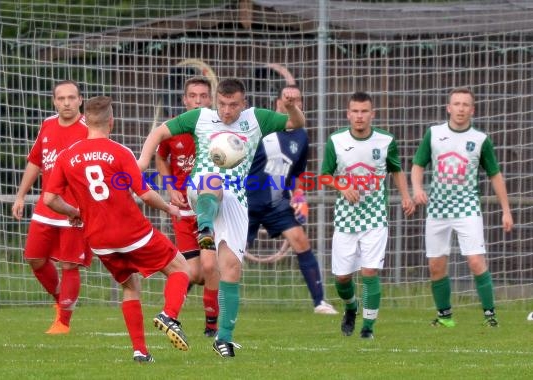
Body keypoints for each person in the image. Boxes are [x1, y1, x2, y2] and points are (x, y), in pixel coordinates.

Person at [138, 78, 305, 357]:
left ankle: (223, 339)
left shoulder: (256, 118)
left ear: (244, 103)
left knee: (230, 269)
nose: (226, 111)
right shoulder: (201, 117)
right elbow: (159, 133)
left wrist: (291, 106)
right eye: (222, 104)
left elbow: (296, 124)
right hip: (202, 188)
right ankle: (205, 229)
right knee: (213, 181)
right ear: (217, 101)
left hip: (236, 199)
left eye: (233, 105)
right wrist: (142, 162)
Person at [44, 96, 190, 363]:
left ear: (84, 120)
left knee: (130, 287)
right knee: (181, 268)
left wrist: (75, 212)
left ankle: (140, 352)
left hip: (99, 239)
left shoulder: (67, 156)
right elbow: (144, 194)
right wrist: (170, 208)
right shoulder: (119, 152)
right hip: (131, 232)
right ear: (112, 121)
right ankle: (169, 315)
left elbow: (49, 199)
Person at [411, 87, 513, 328]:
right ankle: (445, 317)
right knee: (436, 266)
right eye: (456, 104)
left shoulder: (480, 140)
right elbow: (417, 165)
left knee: (476, 261)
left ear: (472, 110)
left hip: (467, 208)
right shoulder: (434, 134)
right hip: (437, 209)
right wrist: (417, 189)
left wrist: (506, 210)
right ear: (448, 108)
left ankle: (490, 316)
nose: (460, 109)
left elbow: (495, 175)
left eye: (465, 105)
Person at [320, 91, 415, 339]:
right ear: (348, 114)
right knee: (342, 278)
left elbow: (396, 169)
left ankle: (367, 329)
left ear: (372, 114)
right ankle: (351, 308)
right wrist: (342, 186)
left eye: (364, 112)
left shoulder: (385, 141)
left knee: (370, 271)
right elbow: (324, 175)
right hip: (345, 218)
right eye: (355, 111)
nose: (359, 116)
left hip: (375, 218)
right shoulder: (336, 140)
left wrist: (406, 196)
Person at [246, 85, 337, 315]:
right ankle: (192, 293)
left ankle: (319, 302)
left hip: (276, 203)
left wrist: (299, 195)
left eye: (296, 99)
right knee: (228, 254)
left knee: (300, 239)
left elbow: (296, 173)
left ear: (302, 104)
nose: (291, 102)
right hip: (248, 200)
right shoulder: (262, 128)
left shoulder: (301, 136)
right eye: (287, 99)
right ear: (277, 103)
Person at [11, 80, 91, 334]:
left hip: (75, 209)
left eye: (71, 98)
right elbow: (36, 162)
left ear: (80, 100)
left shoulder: (89, 129)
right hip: (47, 205)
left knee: (69, 264)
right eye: (61, 98)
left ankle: (63, 322)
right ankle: (62, 301)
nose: (66, 103)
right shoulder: (47, 124)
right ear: (54, 101)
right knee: (34, 258)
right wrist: (21, 196)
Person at [155, 76, 219, 337]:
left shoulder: (218, 129)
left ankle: (211, 324)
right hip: (182, 210)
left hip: (209, 207)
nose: (198, 101)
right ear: (185, 100)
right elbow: (161, 158)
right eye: (193, 96)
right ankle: (174, 312)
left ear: (210, 99)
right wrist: (170, 187)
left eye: (203, 96)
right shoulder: (174, 128)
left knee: (208, 266)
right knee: (193, 272)